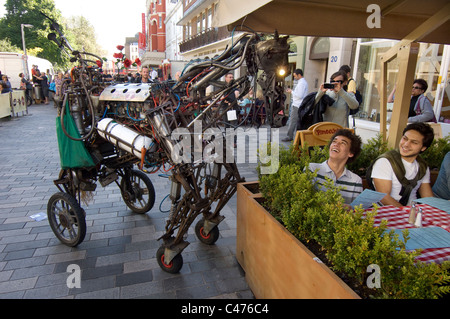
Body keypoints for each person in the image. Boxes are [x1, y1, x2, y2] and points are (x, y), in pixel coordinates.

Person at [370, 122, 435, 207]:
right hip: (386, 213)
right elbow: (384, 198)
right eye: (405, 138)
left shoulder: (422, 166)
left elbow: (427, 198)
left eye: (414, 142)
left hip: (411, 211)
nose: (406, 144)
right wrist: (407, 213)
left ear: (423, 148)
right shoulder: (385, 161)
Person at [308, 129, 363, 205]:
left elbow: (357, 210)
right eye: (334, 141)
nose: (336, 144)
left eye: (343, 143)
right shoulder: (312, 169)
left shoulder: (356, 181)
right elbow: (307, 201)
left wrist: (350, 209)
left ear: (350, 153)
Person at [282, 69, 308, 142]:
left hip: (297, 105)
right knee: (295, 121)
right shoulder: (302, 82)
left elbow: (299, 95)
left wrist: (291, 91)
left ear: (299, 75)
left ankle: (289, 136)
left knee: (293, 121)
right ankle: (296, 136)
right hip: (298, 104)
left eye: (295, 76)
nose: (295, 77)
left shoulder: (302, 83)